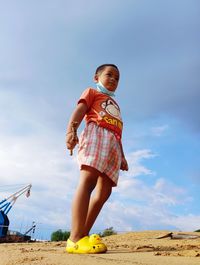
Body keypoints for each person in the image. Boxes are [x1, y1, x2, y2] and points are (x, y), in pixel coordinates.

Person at [65, 64, 128, 254]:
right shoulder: (92, 91)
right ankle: (74, 238)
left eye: (117, 78)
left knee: (104, 191)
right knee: (88, 180)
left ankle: (84, 234)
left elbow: (117, 131)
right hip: (96, 135)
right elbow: (79, 110)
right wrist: (71, 130)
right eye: (109, 75)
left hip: (113, 144)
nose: (113, 80)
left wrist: (122, 156)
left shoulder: (115, 104)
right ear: (96, 77)